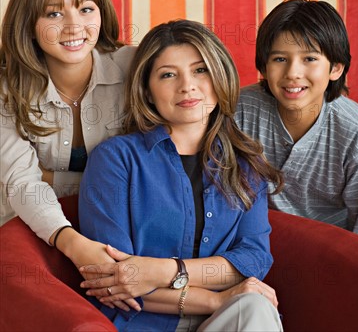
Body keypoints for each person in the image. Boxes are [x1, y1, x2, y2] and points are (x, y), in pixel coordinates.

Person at [78, 19, 284, 331]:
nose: (187, 85)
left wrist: (164, 271)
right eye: (168, 75)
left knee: (255, 308)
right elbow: (115, 280)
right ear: (147, 91)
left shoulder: (246, 163)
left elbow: (253, 259)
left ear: (219, 77)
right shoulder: (115, 159)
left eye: (200, 70)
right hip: (142, 322)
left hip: (225, 321)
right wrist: (216, 298)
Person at [0, 0, 137, 277]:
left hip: (117, 219)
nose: (74, 26)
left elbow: (151, 172)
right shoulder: (6, 90)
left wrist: (53, 178)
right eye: (54, 13)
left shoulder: (135, 68)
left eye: (86, 9)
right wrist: (72, 243)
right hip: (26, 223)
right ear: (29, 25)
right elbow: (23, 184)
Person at [235, 0, 358, 236]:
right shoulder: (238, 110)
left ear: (336, 68)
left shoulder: (356, 133)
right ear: (264, 67)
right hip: (248, 243)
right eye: (280, 59)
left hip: (327, 250)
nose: (293, 73)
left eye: (310, 59)